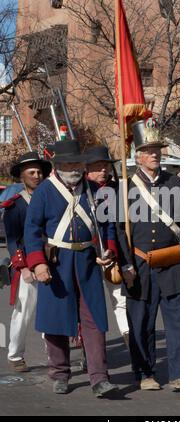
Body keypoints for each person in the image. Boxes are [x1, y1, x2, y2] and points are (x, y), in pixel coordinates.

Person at [24, 139, 118, 397]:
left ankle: (99, 378)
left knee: (95, 321)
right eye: (69, 163)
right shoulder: (45, 191)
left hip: (87, 261)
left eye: (78, 162)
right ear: (59, 165)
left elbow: (106, 225)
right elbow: (31, 230)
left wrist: (106, 250)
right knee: (55, 321)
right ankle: (60, 373)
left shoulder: (93, 190)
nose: (74, 167)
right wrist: (38, 262)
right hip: (56, 262)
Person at [116, 118, 180, 391]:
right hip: (139, 264)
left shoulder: (175, 183)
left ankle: (179, 373)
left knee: (177, 323)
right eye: (148, 150)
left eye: (157, 150)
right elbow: (119, 230)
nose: (154, 154)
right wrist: (125, 264)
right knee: (141, 323)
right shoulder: (125, 186)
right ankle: (145, 373)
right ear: (137, 155)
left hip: (173, 262)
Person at [0, 152, 52, 372]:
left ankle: (55, 355)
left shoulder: (52, 199)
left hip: (52, 261)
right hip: (27, 264)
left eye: (39, 171)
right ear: (22, 176)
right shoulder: (16, 205)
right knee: (24, 310)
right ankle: (15, 355)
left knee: (51, 310)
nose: (37, 175)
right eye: (31, 172)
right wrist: (22, 266)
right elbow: (12, 240)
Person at [86, 145, 130, 346]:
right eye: (98, 166)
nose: (103, 170)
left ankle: (128, 334)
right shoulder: (81, 190)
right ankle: (87, 343)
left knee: (119, 297)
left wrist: (111, 249)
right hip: (86, 252)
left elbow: (117, 224)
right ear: (87, 169)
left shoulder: (120, 189)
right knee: (88, 302)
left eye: (105, 166)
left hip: (112, 250)